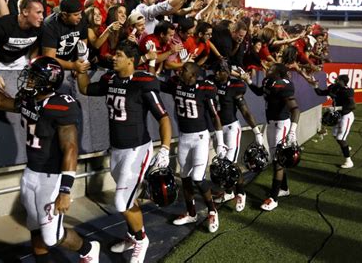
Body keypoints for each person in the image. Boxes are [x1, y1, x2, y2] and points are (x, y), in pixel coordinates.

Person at [0, 54, 100, 263]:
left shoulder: (62, 105)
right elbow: (1, 101)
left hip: (52, 177)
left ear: (49, 82)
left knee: (52, 236)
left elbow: (70, 148)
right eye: (30, 75)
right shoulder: (29, 99)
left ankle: (88, 249)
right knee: (34, 225)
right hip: (31, 172)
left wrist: (65, 190)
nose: (28, 80)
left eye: (34, 77)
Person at [77, 40, 172, 263]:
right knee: (129, 197)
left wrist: (165, 147)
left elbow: (164, 118)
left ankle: (141, 239)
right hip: (118, 149)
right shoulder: (110, 79)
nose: (113, 57)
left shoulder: (143, 82)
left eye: (118, 54)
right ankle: (131, 235)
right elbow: (85, 88)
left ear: (131, 60)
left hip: (137, 149)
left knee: (121, 201)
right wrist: (81, 61)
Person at [160, 62, 222, 233]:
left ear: (194, 75)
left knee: (197, 176)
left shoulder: (203, 88)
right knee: (185, 176)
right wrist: (151, 62)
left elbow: (214, 114)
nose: (181, 72)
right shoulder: (176, 84)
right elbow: (156, 83)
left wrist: (220, 139)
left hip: (200, 138)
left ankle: (212, 210)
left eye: (185, 70)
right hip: (184, 137)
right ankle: (191, 212)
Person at [241, 63, 300, 211]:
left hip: (282, 124)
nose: (268, 69)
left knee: (277, 161)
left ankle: (273, 198)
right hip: (272, 124)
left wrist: (292, 132)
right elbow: (260, 92)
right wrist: (248, 81)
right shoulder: (268, 82)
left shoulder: (284, 85)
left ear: (279, 74)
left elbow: (295, 110)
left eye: (272, 69)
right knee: (277, 158)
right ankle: (284, 188)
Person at [210, 61, 264, 212]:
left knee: (231, 165)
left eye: (219, 71)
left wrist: (256, 131)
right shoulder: (211, 82)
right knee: (222, 164)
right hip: (217, 130)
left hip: (231, 128)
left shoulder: (236, 86)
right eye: (216, 70)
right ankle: (228, 192)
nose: (216, 73)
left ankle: (241, 192)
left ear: (227, 72)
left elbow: (245, 111)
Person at [0, 0, 44, 90]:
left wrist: (32, 64)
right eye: (38, 13)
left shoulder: (40, 26)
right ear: (25, 12)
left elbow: (35, 46)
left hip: (21, 60)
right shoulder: (2, 25)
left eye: (42, 13)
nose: (42, 17)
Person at [313, 74, 356, 168]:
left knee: (340, 138)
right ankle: (346, 148)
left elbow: (352, 106)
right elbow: (320, 93)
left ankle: (349, 161)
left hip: (346, 116)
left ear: (343, 81)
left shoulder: (348, 91)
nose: (336, 80)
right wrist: (315, 86)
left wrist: (336, 108)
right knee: (335, 135)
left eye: (338, 79)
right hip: (338, 115)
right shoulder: (333, 87)